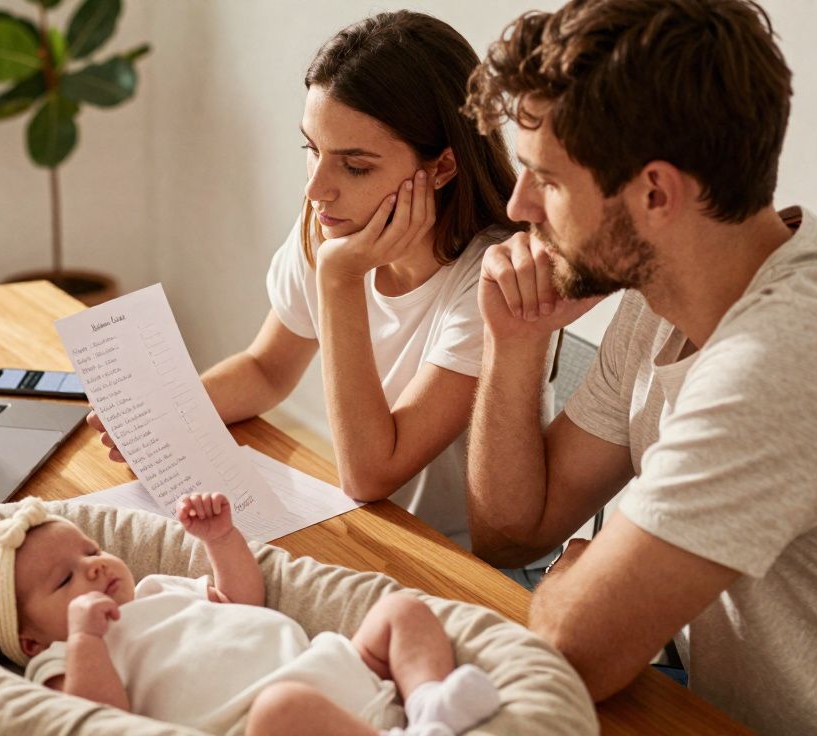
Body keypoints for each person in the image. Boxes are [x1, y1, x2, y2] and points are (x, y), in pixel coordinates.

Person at [460, 0, 817, 733]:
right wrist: (516, 341)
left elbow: (574, 645)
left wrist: (582, 581)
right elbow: (514, 532)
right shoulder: (661, 301)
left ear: (655, 194)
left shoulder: (793, 355)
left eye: (547, 180)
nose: (518, 205)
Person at [90, 11, 543, 559]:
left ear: (442, 167)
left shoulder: (493, 275)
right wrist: (169, 419)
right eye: (311, 149)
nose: (316, 190)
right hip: (370, 532)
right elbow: (266, 369)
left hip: (458, 561)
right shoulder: (335, 224)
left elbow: (371, 474)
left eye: (355, 166)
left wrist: (339, 278)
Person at [0, 496, 501, 736]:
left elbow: (242, 601)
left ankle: (429, 703)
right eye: (64, 580)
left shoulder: (157, 587)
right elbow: (98, 719)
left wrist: (221, 541)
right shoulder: (62, 660)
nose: (94, 568)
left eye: (91, 551)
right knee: (282, 707)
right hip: (272, 722)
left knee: (401, 609)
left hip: (342, 666)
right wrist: (84, 639)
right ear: (30, 641)